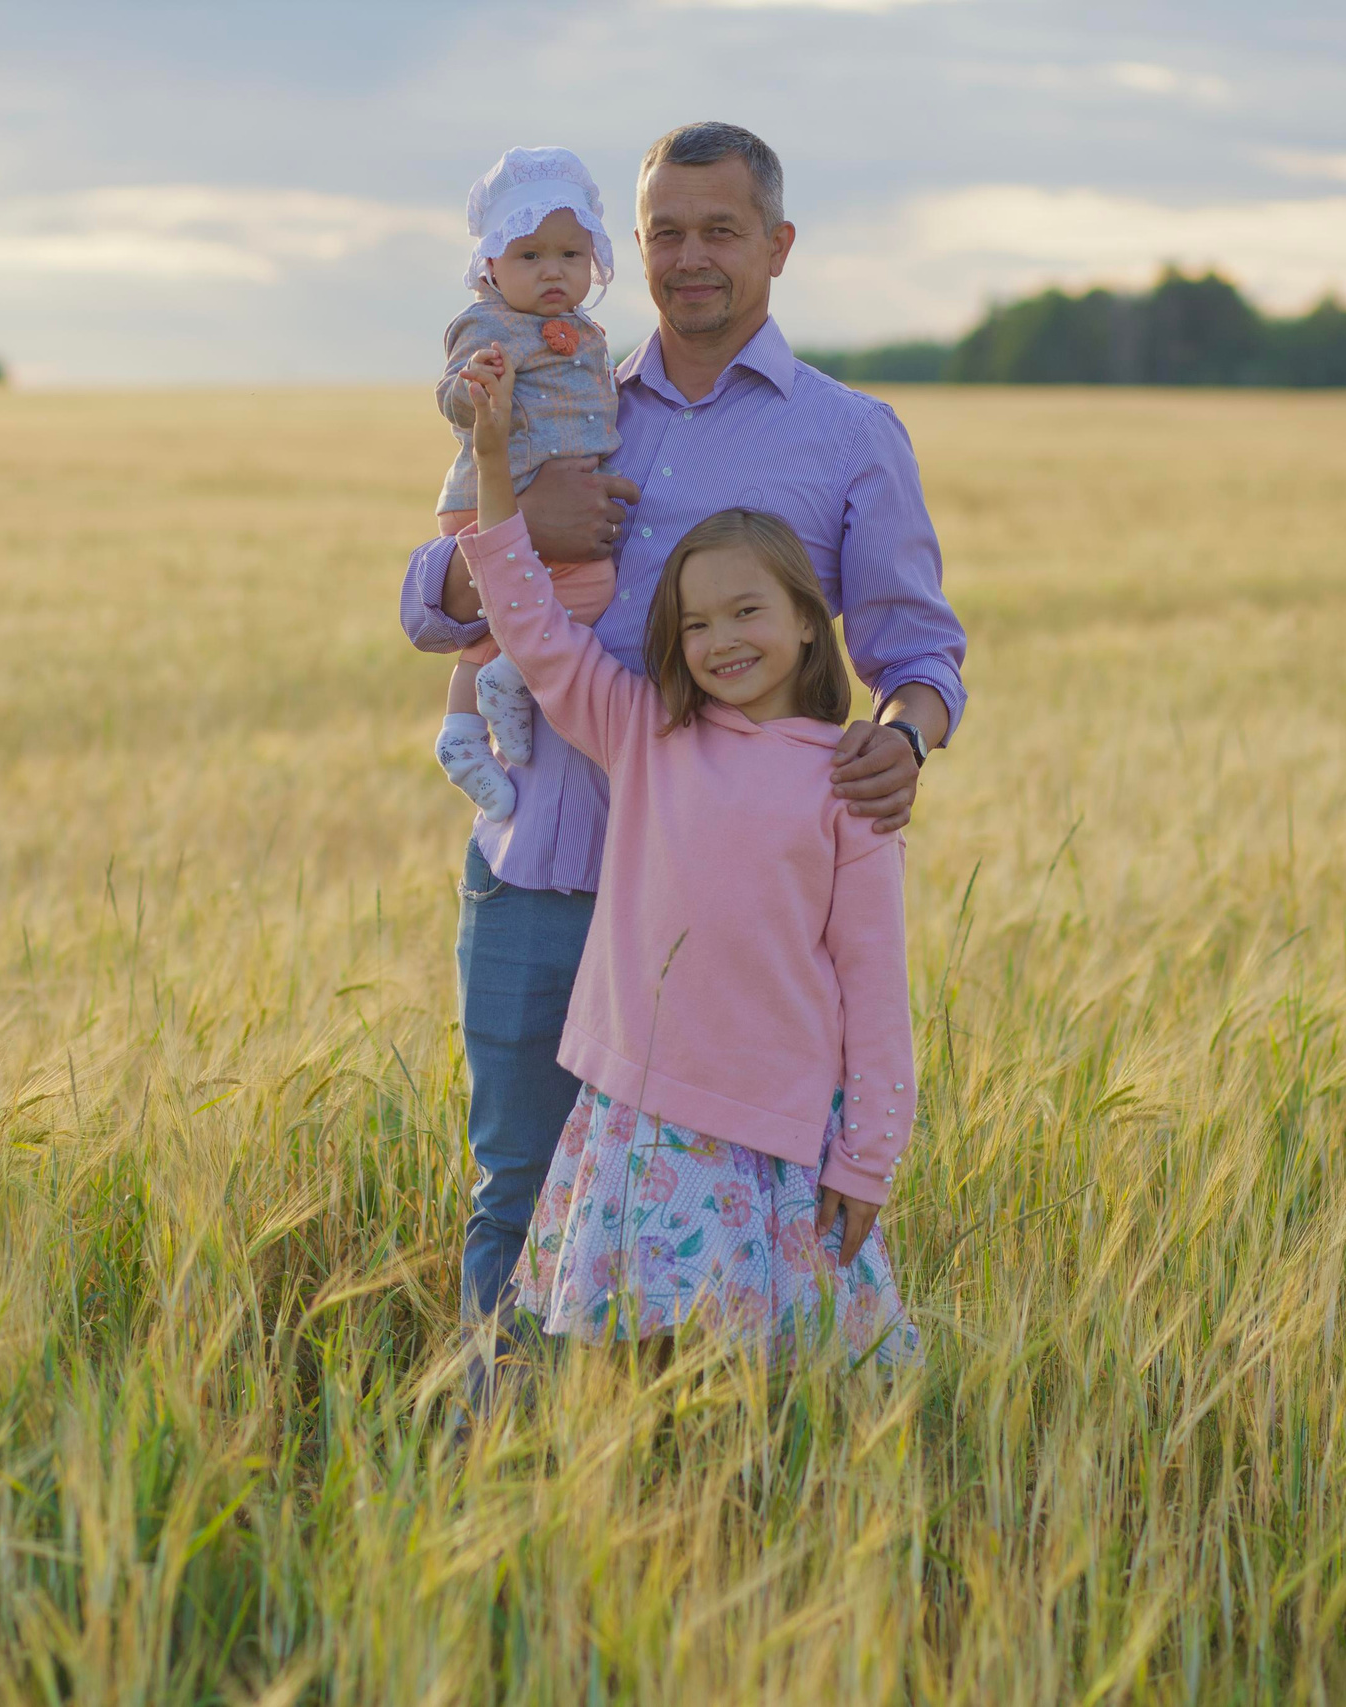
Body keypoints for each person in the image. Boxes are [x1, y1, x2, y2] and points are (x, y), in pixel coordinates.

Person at [395, 122, 967, 1390]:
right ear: (629, 251)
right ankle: (511, 1485)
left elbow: (919, 654)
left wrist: (906, 739)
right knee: (520, 1201)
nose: (692, 257)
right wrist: (515, 519)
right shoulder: (564, 390)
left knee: (740, 1226)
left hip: (735, 915)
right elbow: (431, 610)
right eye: (665, 233)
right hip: (543, 866)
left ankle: (698, 1479)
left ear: (777, 244)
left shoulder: (847, 433)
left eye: (720, 230)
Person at [455, 343, 920, 1360]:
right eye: (696, 622)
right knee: (626, 1367)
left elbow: (876, 987)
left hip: (776, 1141)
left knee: (754, 1393)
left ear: (808, 621)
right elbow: (530, 629)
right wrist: (496, 467)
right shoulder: (646, 735)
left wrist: (867, 1159)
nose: (721, 640)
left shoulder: (846, 780)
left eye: (748, 612)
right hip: (636, 1124)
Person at [429, 148, 623, 823]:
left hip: (517, 507)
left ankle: (460, 734)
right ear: (491, 266)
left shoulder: (588, 332)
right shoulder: (489, 326)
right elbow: (451, 395)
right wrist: (474, 389)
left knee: (496, 615)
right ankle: (512, 677)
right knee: (590, 588)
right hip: (499, 498)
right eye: (530, 256)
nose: (553, 271)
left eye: (571, 256)